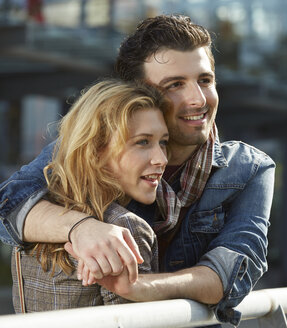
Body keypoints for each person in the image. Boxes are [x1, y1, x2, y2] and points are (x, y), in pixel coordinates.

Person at [0, 14, 275, 325]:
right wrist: (82, 227)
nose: (198, 99)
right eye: (175, 84)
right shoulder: (98, 148)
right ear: (142, 92)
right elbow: (10, 203)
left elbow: (231, 271)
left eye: (205, 80)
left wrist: (141, 287)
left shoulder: (249, 168)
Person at [11, 79, 169, 312]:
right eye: (143, 142)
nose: (162, 159)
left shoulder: (32, 219)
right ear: (95, 150)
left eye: (163, 142)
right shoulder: (124, 229)